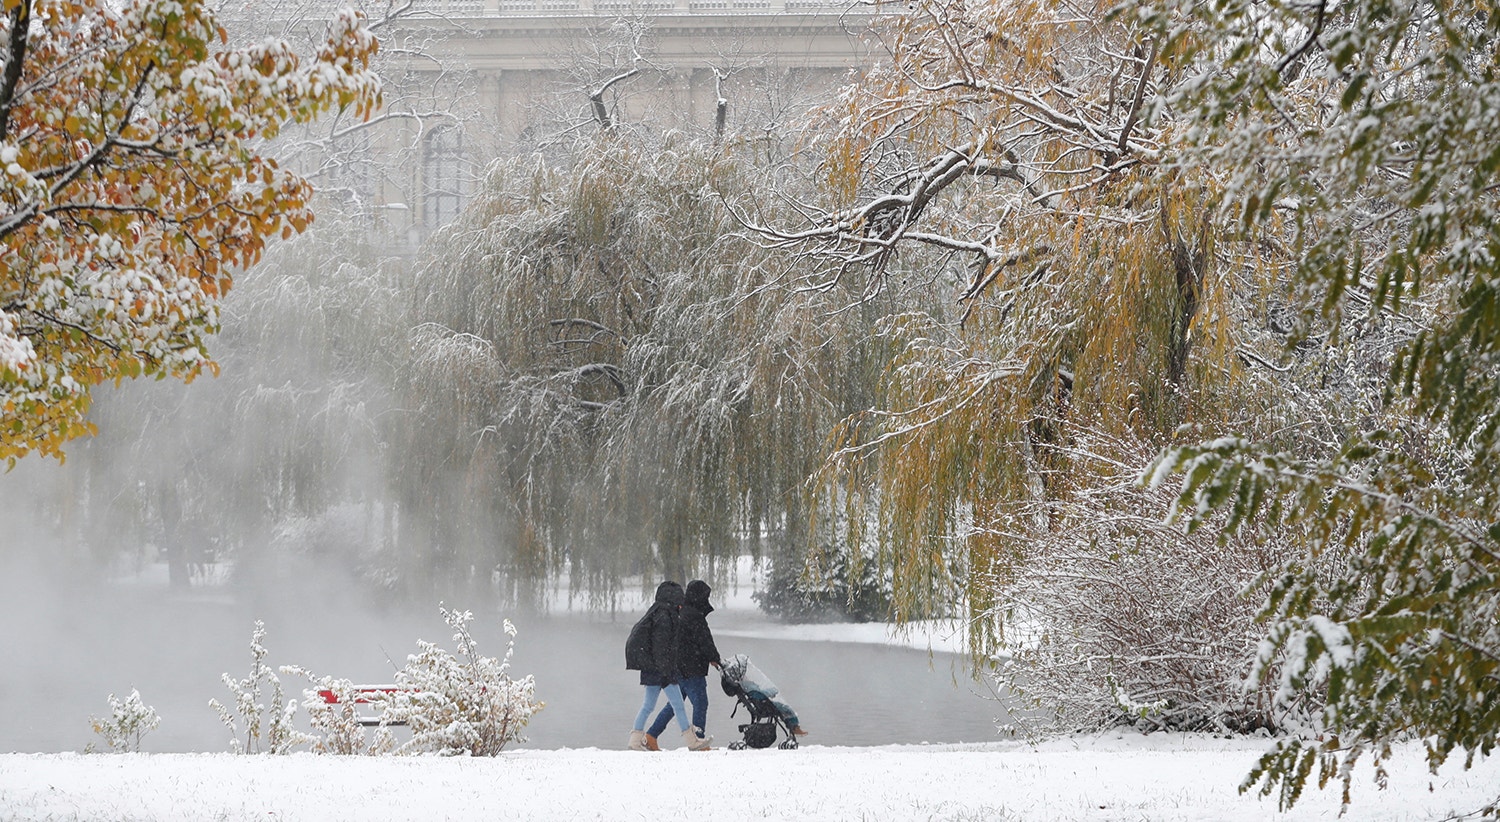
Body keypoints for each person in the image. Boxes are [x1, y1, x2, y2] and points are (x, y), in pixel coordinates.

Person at [624, 580, 708, 751]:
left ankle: (635, 740)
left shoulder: (656, 612)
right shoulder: (665, 617)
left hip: (651, 669)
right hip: (661, 671)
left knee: (648, 706)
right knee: (678, 705)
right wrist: (666, 672)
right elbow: (662, 648)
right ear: (675, 598)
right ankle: (692, 741)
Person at [643, 579, 720, 750]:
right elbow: (705, 641)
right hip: (693, 668)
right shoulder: (695, 616)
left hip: (678, 666)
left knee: (674, 704)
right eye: (706, 596)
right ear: (699, 597)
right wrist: (715, 659)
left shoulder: (680, 612)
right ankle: (698, 740)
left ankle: (651, 735)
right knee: (700, 702)